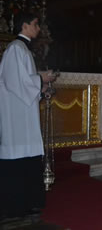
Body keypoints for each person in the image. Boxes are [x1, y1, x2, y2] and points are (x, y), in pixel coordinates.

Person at [0, 12, 56, 220]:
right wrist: (40, 81)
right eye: (35, 24)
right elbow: (16, 83)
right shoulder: (15, 49)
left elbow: (24, 82)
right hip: (16, 117)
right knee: (18, 160)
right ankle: (15, 206)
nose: (38, 28)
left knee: (28, 158)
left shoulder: (22, 49)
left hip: (23, 114)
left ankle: (28, 203)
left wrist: (41, 85)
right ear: (24, 26)